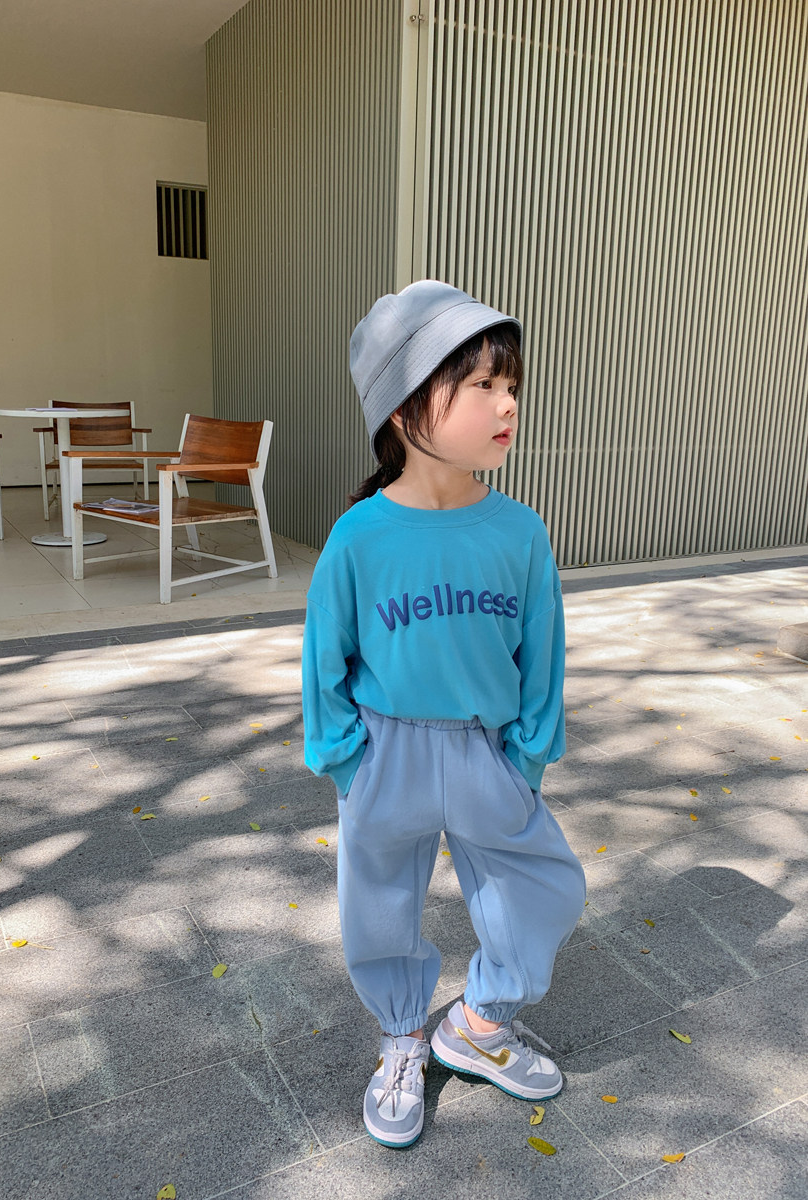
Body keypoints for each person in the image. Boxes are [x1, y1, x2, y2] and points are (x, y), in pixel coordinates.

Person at [301, 280, 586, 1149]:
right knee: (379, 902)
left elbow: (543, 652)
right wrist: (347, 759)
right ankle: (402, 1038)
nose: (508, 405)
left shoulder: (519, 532)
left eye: (512, 386)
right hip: (386, 753)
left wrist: (527, 755)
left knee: (545, 885)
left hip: (487, 752)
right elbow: (324, 659)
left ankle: (477, 1026)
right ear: (403, 408)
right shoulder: (359, 536)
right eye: (482, 385)